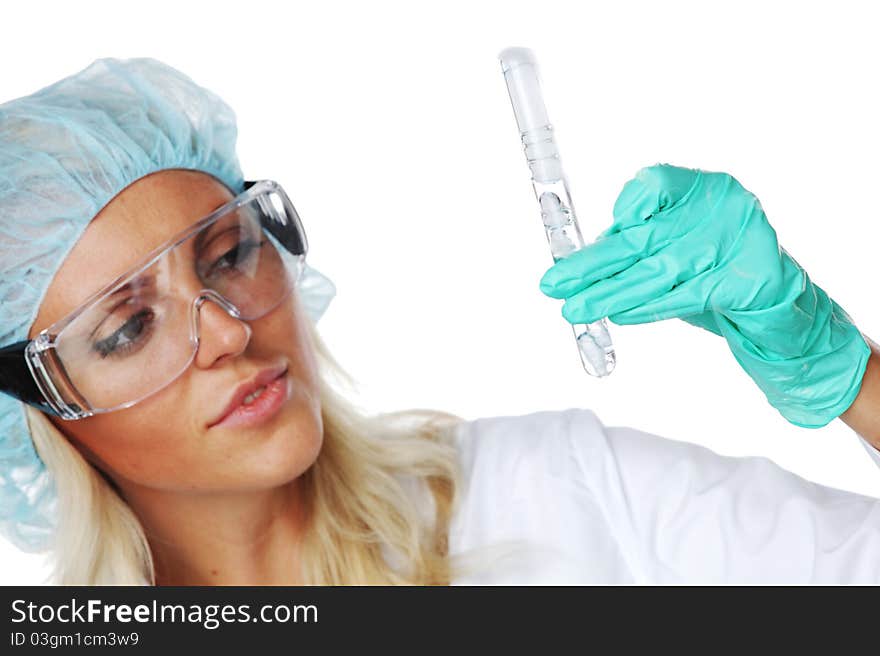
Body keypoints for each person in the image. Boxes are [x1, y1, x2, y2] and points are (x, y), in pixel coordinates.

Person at [0, 58, 878, 586]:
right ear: (34, 415)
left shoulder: (554, 493)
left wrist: (840, 368)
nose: (228, 332)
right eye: (127, 330)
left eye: (230, 255)